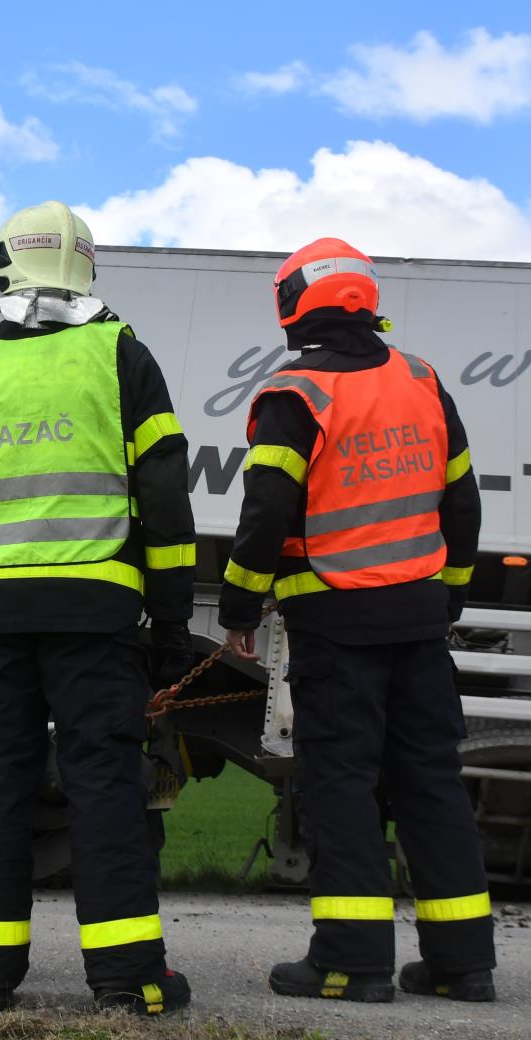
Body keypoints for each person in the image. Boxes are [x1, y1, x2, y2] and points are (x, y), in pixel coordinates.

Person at [0, 200, 195, 1015]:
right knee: (105, 786)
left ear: (4, 270)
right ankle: (129, 977)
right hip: (97, 615)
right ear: (85, 267)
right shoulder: (121, 355)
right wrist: (170, 623)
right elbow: (164, 496)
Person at [220, 237, 495, 1003]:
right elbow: (463, 503)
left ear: (291, 305)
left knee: (339, 784)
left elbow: (267, 510)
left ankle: (351, 960)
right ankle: (464, 963)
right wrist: (449, 597)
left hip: (336, 625)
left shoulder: (295, 394)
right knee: (431, 783)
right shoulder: (421, 379)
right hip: (417, 619)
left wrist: (239, 607)